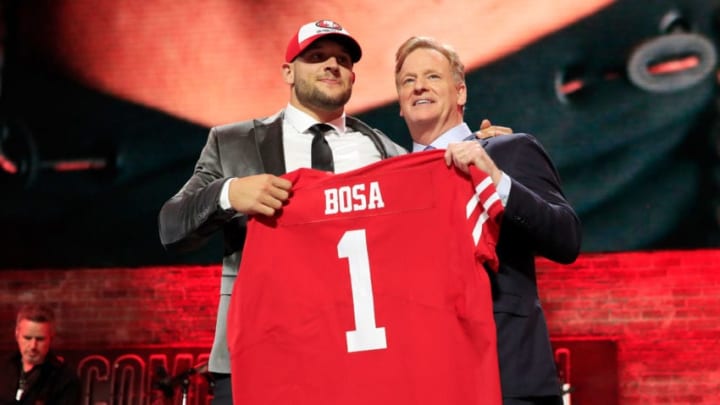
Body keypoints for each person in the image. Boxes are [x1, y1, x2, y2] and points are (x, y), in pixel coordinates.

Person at [158, 19, 511, 404]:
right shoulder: (233, 142)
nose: (332, 65)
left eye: (342, 60)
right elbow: (171, 226)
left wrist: (478, 149)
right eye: (316, 57)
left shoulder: (384, 151)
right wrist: (228, 194)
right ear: (288, 72)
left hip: (361, 358)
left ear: (353, 77)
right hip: (261, 356)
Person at [394, 36, 582, 405]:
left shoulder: (508, 150)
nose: (418, 86)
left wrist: (496, 179)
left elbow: (566, 238)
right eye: (407, 80)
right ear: (400, 104)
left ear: (460, 92)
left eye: (432, 76)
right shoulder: (390, 180)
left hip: (506, 375)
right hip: (424, 380)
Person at [0, 304, 81, 405]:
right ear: (17, 334)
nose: (33, 346)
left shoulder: (65, 378)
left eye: (40, 339)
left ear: (51, 338)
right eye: (27, 338)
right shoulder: (3, 367)